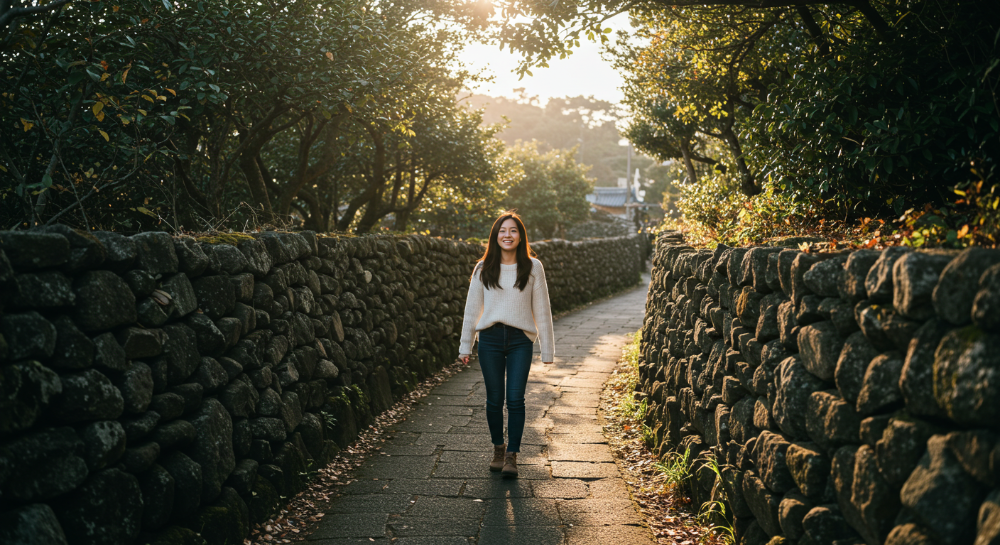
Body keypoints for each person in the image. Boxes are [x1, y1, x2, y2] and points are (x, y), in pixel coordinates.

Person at [458, 211, 554, 479]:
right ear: (495, 235)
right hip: (489, 339)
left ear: (520, 236)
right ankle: (498, 449)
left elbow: (543, 310)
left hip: (520, 341)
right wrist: (465, 347)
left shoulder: (533, 267)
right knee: (493, 399)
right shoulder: (483, 268)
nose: (507, 235)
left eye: (513, 230)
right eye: (502, 230)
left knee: (515, 399)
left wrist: (547, 350)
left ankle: (512, 455)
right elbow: (471, 310)